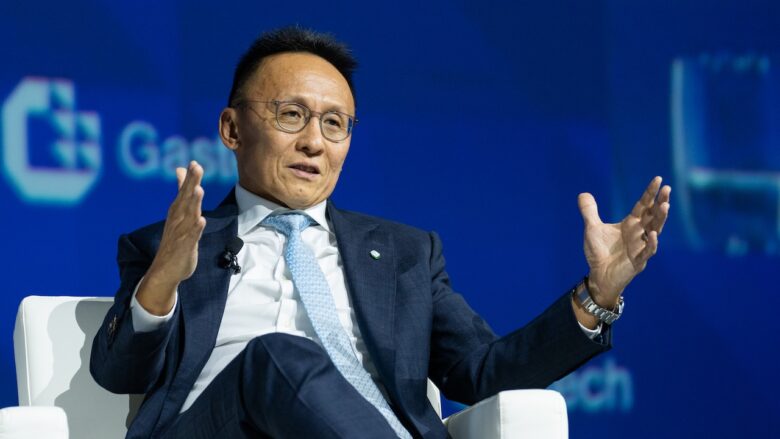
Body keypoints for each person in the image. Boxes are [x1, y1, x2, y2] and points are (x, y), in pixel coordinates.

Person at [90, 26, 671, 439]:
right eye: (291, 115)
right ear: (232, 129)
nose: (313, 142)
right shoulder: (163, 247)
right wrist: (162, 281)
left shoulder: (403, 253)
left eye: (334, 123)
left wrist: (598, 294)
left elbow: (482, 372)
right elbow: (119, 374)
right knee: (275, 356)